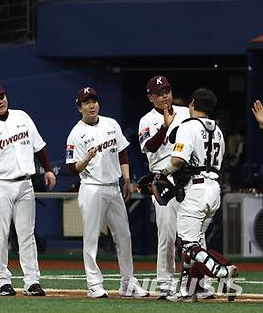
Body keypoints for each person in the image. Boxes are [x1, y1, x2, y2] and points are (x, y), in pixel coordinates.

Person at [0, 82, 55, 296]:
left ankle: (32, 281)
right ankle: (2, 281)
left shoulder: (21, 116)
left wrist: (48, 169)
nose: (1, 101)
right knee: (0, 234)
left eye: (2, 96)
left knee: (26, 234)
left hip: (25, 183)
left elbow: (39, 146)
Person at [66, 87, 148, 299]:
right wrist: (86, 159)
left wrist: (127, 180)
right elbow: (73, 167)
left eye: (94, 100)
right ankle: (94, 284)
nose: (92, 105)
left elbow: (123, 153)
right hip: (92, 187)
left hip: (114, 186)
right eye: (86, 102)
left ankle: (128, 283)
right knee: (91, 237)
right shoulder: (76, 133)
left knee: (124, 235)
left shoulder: (111, 123)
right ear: (79, 107)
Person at [164, 88, 238, 302]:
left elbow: (178, 160)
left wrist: (162, 172)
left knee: (187, 244)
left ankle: (223, 271)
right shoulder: (219, 130)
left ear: (193, 103)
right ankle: (189, 291)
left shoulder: (188, 127)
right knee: (195, 244)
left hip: (196, 189)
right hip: (214, 189)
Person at [137, 75, 191, 297]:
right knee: (167, 233)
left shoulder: (186, 113)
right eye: (159, 93)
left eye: (167, 90)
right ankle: (165, 283)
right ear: (151, 97)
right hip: (163, 180)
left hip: (187, 177)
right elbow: (148, 146)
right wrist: (164, 128)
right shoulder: (147, 120)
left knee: (193, 235)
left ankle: (196, 283)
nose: (165, 95)